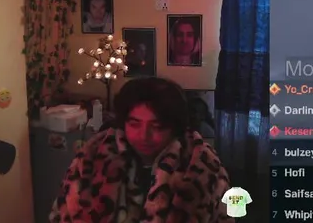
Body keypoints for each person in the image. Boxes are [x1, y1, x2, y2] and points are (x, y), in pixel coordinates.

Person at [49, 76, 234, 222]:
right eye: (134, 124)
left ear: (174, 127)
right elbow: (62, 213)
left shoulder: (202, 164)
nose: (144, 135)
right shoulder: (92, 155)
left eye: (157, 126)